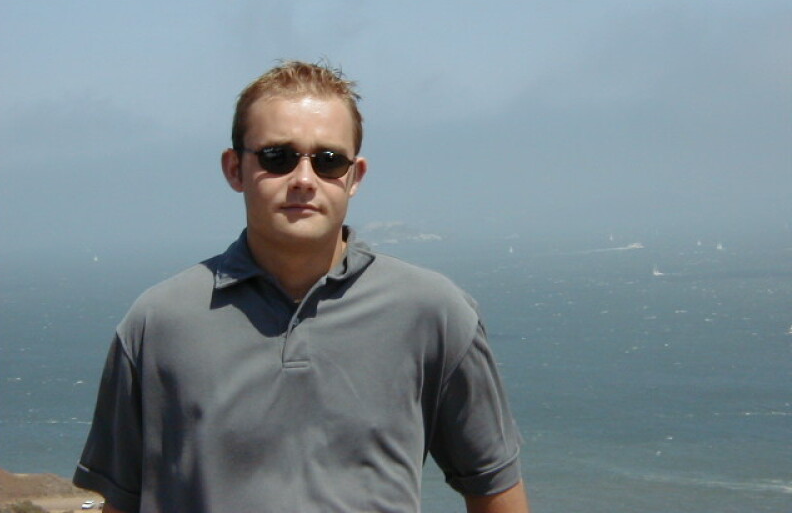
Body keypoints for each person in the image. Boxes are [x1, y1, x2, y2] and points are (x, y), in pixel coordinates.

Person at [73, 61, 530, 512]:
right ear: (234, 169)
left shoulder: (434, 313)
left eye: (329, 161)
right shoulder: (158, 323)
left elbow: (495, 490)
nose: (304, 180)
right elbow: (116, 501)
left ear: (354, 176)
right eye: (278, 157)